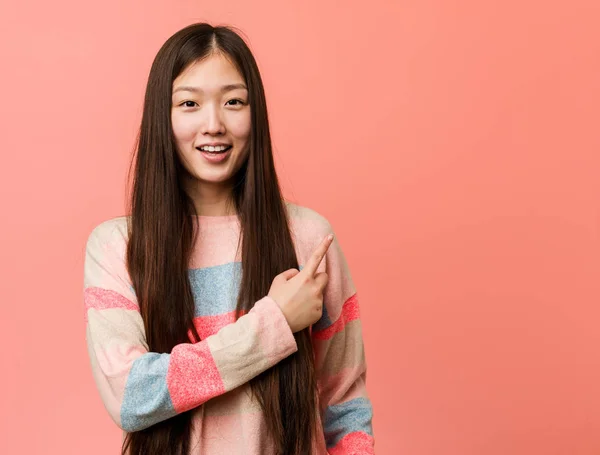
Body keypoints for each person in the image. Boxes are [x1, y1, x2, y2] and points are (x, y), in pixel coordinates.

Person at [83, 22, 374, 455]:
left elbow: (346, 405)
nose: (214, 123)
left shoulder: (309, 238)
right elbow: (132, 396)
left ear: (256, 114)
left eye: (234, 101)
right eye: (189, 103)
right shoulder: (118, 247)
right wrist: (273, 322)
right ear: (162, 117)